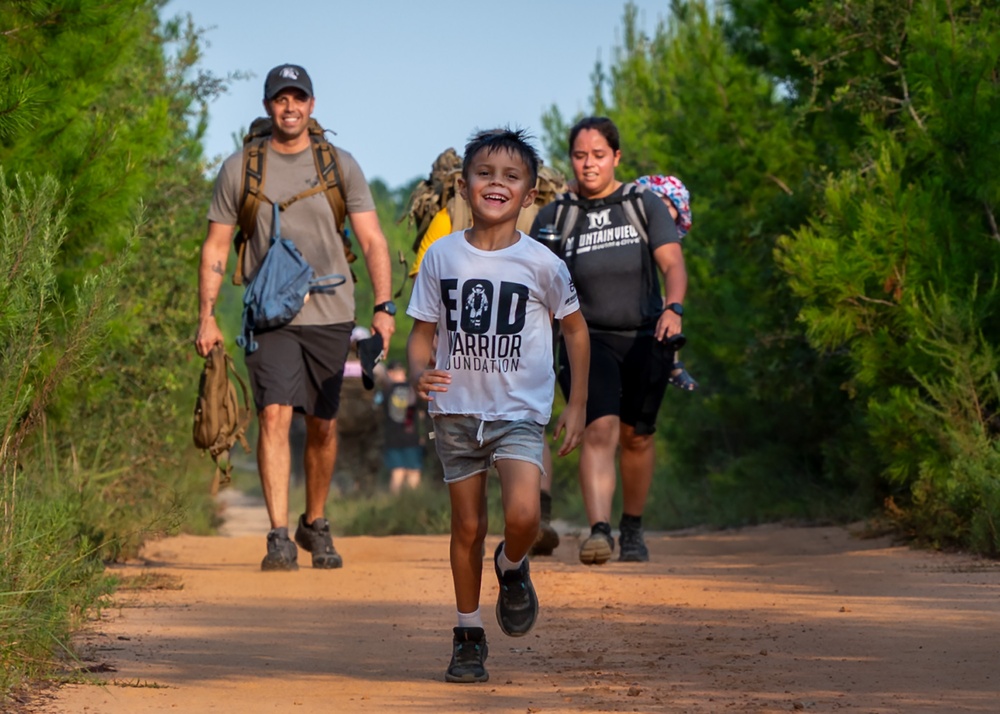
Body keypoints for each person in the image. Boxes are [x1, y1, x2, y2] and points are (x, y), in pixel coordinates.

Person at [195, 63, 396, 571]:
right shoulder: (241, 168)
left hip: (331, 311)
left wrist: (383, 308)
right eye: (281, 99)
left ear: (311, 105)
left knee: (324, 427)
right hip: (270, 315)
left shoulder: (338, 164)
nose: (290, 107)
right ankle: (279, 535)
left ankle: (316, 522)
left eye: (298, 98)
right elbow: (217, 245)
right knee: (274, 415)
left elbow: (372, 240)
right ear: (268, 106)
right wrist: (207, 315)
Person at [406, 128, 589, 683]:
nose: (497, 184)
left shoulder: (544, 264)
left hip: (518, 414)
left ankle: (511, 566)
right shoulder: (441, 256)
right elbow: (421, 334)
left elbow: (576, 334)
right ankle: (467, 635)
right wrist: (419, 373)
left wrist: (576, 402)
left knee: (524, 517)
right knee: (466, 526)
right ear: (464, 185)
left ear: (529, 194)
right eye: (485, 174)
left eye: (511, 177)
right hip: (456, 411)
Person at [530, 116, 688, 565]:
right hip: (585, 338)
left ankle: (632, 527)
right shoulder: (556, 216)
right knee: (601, 427)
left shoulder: (642, 204)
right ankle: (600, 530)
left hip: (644, 334)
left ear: (616, 157)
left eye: (598, 155)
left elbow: (672, 264)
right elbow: (536, 284)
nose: (588, 164)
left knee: (637, 436)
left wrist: (673, 308)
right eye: (579, 156)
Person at [634, 174, 698, 391]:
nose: (664, 211)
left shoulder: (661, 244)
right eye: (660, 203)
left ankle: (672, 363)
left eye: (671, 206)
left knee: (666, 304)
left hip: (642, 305)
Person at [379, 360, 425, 494]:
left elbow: (376, 409)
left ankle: (394, 505)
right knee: (413, 472)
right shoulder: (413, 389)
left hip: (392, 438)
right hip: (412, 436)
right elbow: (423, 413)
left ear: (390, 373)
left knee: (397, 473)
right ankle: (412, 504)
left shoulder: (384, 391)